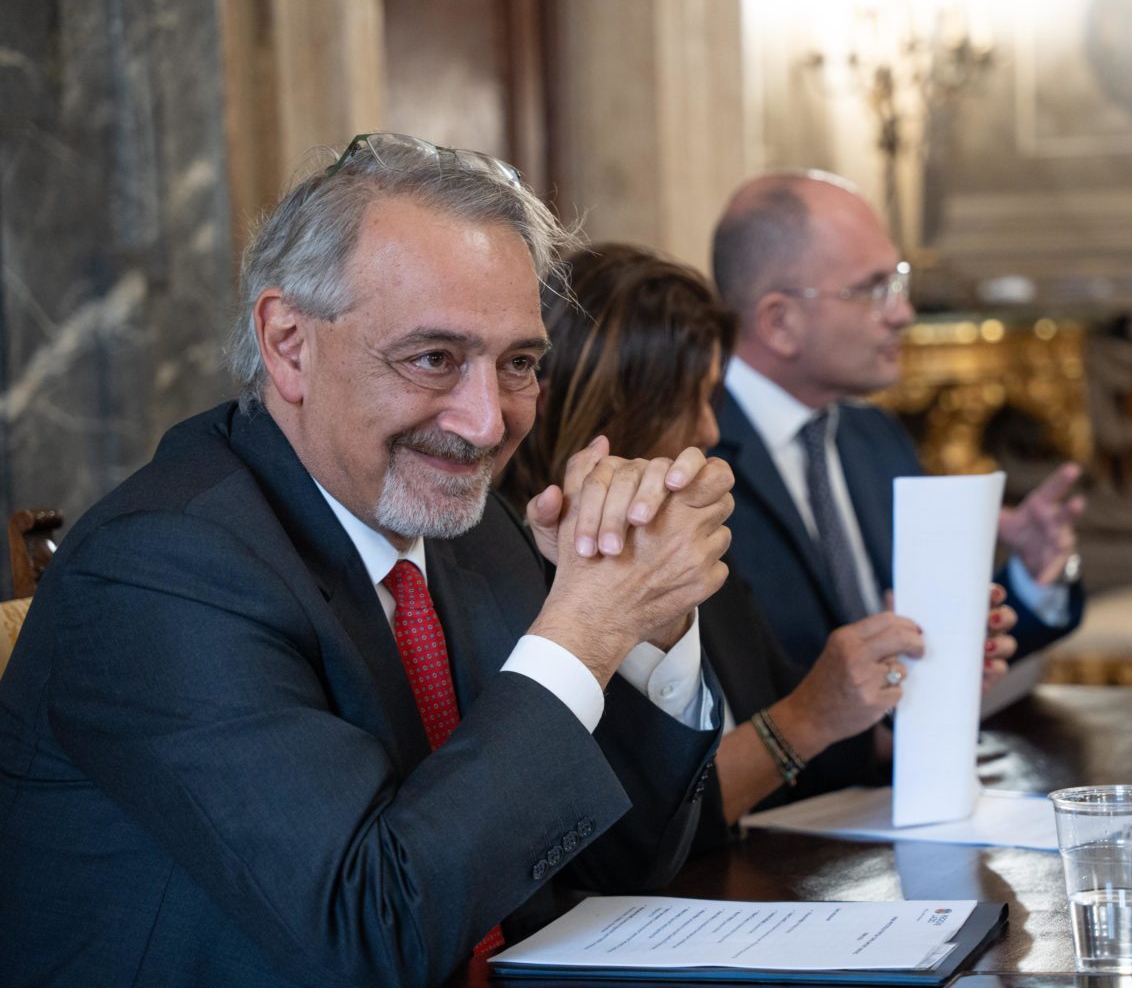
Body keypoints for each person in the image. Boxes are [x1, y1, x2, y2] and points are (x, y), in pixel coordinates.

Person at [0, 134, 734, 988]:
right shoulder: (162, 568)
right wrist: (583, 629)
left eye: (519, 365)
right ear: (288, 343)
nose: (487, 423)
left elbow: (624, 864)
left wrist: (647, 616)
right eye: (434, 359)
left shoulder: (473, 530)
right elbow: (368, 932)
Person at [504, 243, 1018, 847]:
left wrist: (921, 678)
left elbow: (808, 744)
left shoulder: (687, 546)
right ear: (604, 409)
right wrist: (809, 716)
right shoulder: (517, 570)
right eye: (686, 401)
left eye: (713, 398)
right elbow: (633, 829)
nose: (709, 429)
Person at [709, 170, 1086, 670]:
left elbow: (928, 655)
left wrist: (1031, 578)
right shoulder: (694, 459)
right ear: (780, 322)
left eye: (897, 281)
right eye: (872, 289)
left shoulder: (875, 436)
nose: (902, 312)